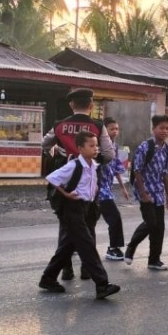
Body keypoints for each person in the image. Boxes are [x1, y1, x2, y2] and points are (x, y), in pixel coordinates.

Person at [41, 88, 115, 281]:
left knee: (66, 227)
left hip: (67, 182)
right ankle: (86, 269)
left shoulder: (59, 125)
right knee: (88, 224)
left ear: (71, 105)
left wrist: (59, 151)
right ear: (91, 106)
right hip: (88, 181)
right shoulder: (98, 126)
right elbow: (108, 154)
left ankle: (66, 270)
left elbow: (44, 144)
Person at [38, 131, 121, 300]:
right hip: (72, 208)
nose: (96, 148)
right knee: (87, 244)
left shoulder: (93, 166)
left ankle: (48, 278)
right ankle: (102, 284)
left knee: (67, 247)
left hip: (86, 208)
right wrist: (66, 194)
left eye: (96, 145)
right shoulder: (74, 165)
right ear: (80, 148)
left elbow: (91, 184)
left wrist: (94, 190)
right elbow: (53, 178)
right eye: (91, 145)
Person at [124, 114, 168, 270]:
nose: (164, 131)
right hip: (145, 191)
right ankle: (131, 246)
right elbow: (137, 170)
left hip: (158, 192)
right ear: (153, 129)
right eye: (161, 128)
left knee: (160, 227)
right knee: (151, 222)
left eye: (167, 128)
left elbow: (166, 173)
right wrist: (143, 193)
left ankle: (154, 260)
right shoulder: (146, 147)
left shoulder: (167, 150)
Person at [98, 116, 131, 261]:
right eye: (112, 129)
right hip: (99, 190)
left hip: (107, 189)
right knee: (114, 218)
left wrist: (123, 188)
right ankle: (113, 248)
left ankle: (73, 244)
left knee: (86, 221)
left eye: (117, 129)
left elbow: (117, 169)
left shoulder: (115, 147)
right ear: (104, 130)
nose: (115, 131)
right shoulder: (98, 147)